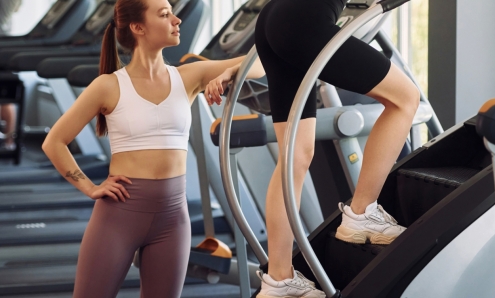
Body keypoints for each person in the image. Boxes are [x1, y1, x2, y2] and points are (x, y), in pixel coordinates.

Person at [41, 0, 264, 297]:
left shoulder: (189, 76)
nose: (177, 20)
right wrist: (90, 187)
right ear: (138, 27)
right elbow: (54, 141)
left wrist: (226, 74)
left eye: (173, 11)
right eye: (164, 14)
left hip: (173, 219)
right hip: (119, 217)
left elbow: (259, 64)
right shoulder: (107, 86)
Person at [253, 0, 419, 296]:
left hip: (273, 19)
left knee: (294, 158)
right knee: (405, 98)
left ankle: (279, 281)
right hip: (304, 20)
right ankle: (362, 214)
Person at [0, 0, 22, 151]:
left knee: (6, 98)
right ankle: (8, 141)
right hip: (5, 45)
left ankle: (9, 142)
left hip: (3, 48)